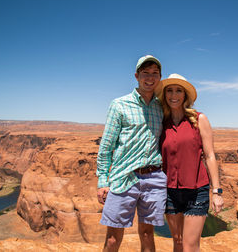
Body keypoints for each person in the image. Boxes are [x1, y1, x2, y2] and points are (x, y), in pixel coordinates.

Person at [96, 55, 167, 252]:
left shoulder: (161, 107)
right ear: (137, 76)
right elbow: (106, 146)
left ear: (160, 77)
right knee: (113, 238)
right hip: (124, 177)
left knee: (147, 234)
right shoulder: (119, 104)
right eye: (145, 73)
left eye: (154, 73)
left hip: (153, 178)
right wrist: (103, 180)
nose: (150, 78)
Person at [156, 73, 224, 252]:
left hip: (196, 191)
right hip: (169, 191)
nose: (174, 95)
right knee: (177, 243)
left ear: (185, 95)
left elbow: (210, 156)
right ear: (165, 95)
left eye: (178, 90)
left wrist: (216, 192)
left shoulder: (199, 119)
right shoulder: (162, 122)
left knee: (190, 246)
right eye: (169, 91)